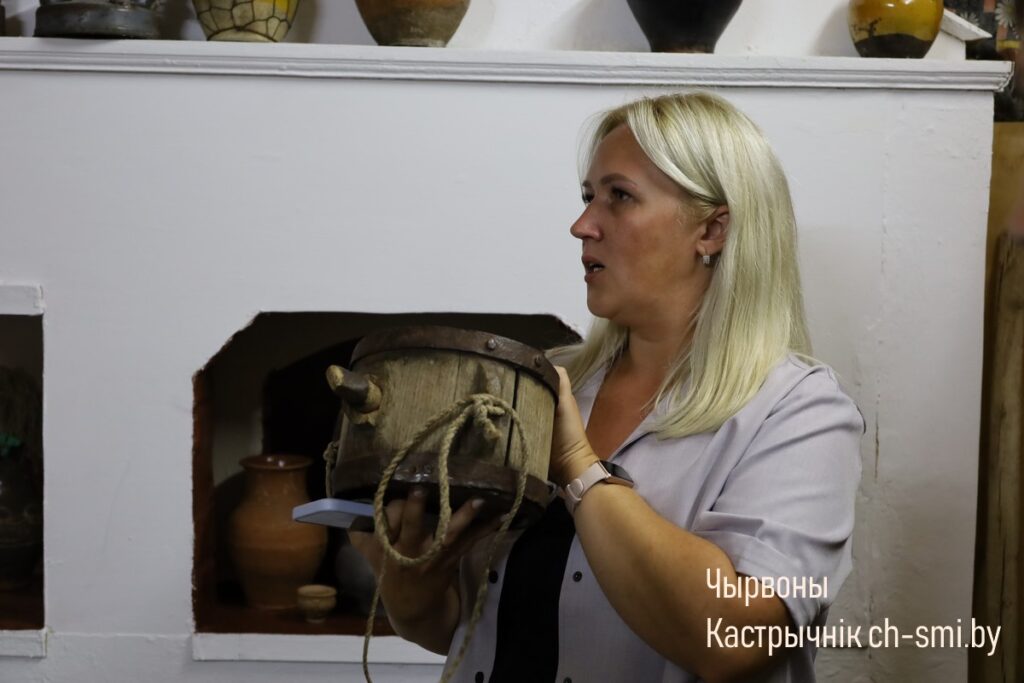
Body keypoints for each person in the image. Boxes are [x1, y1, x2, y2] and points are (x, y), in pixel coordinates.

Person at [350, 91, 864, 683]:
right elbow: (466, 626)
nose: (582, 225)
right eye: (587, 197)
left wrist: (578, 465)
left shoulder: (801, 413)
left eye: (619, 196)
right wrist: (411, 586)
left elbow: (737, 642)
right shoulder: (543, 383)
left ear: (712, 229)